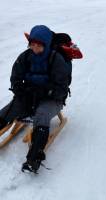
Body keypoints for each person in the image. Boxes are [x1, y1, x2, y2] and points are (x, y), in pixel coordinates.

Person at [0, 25, 72, 173]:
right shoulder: (25, 57)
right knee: (9, 110)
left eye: (39, 45)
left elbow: (62, 87)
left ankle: (34, 158)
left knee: (42, 115)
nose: (35, 48)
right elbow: (16, 77)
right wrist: (19, 88)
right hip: (29, 96)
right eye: (32, 44)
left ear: (46, 45)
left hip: (52, 99)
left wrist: (46, 91)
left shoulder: (56, 59)